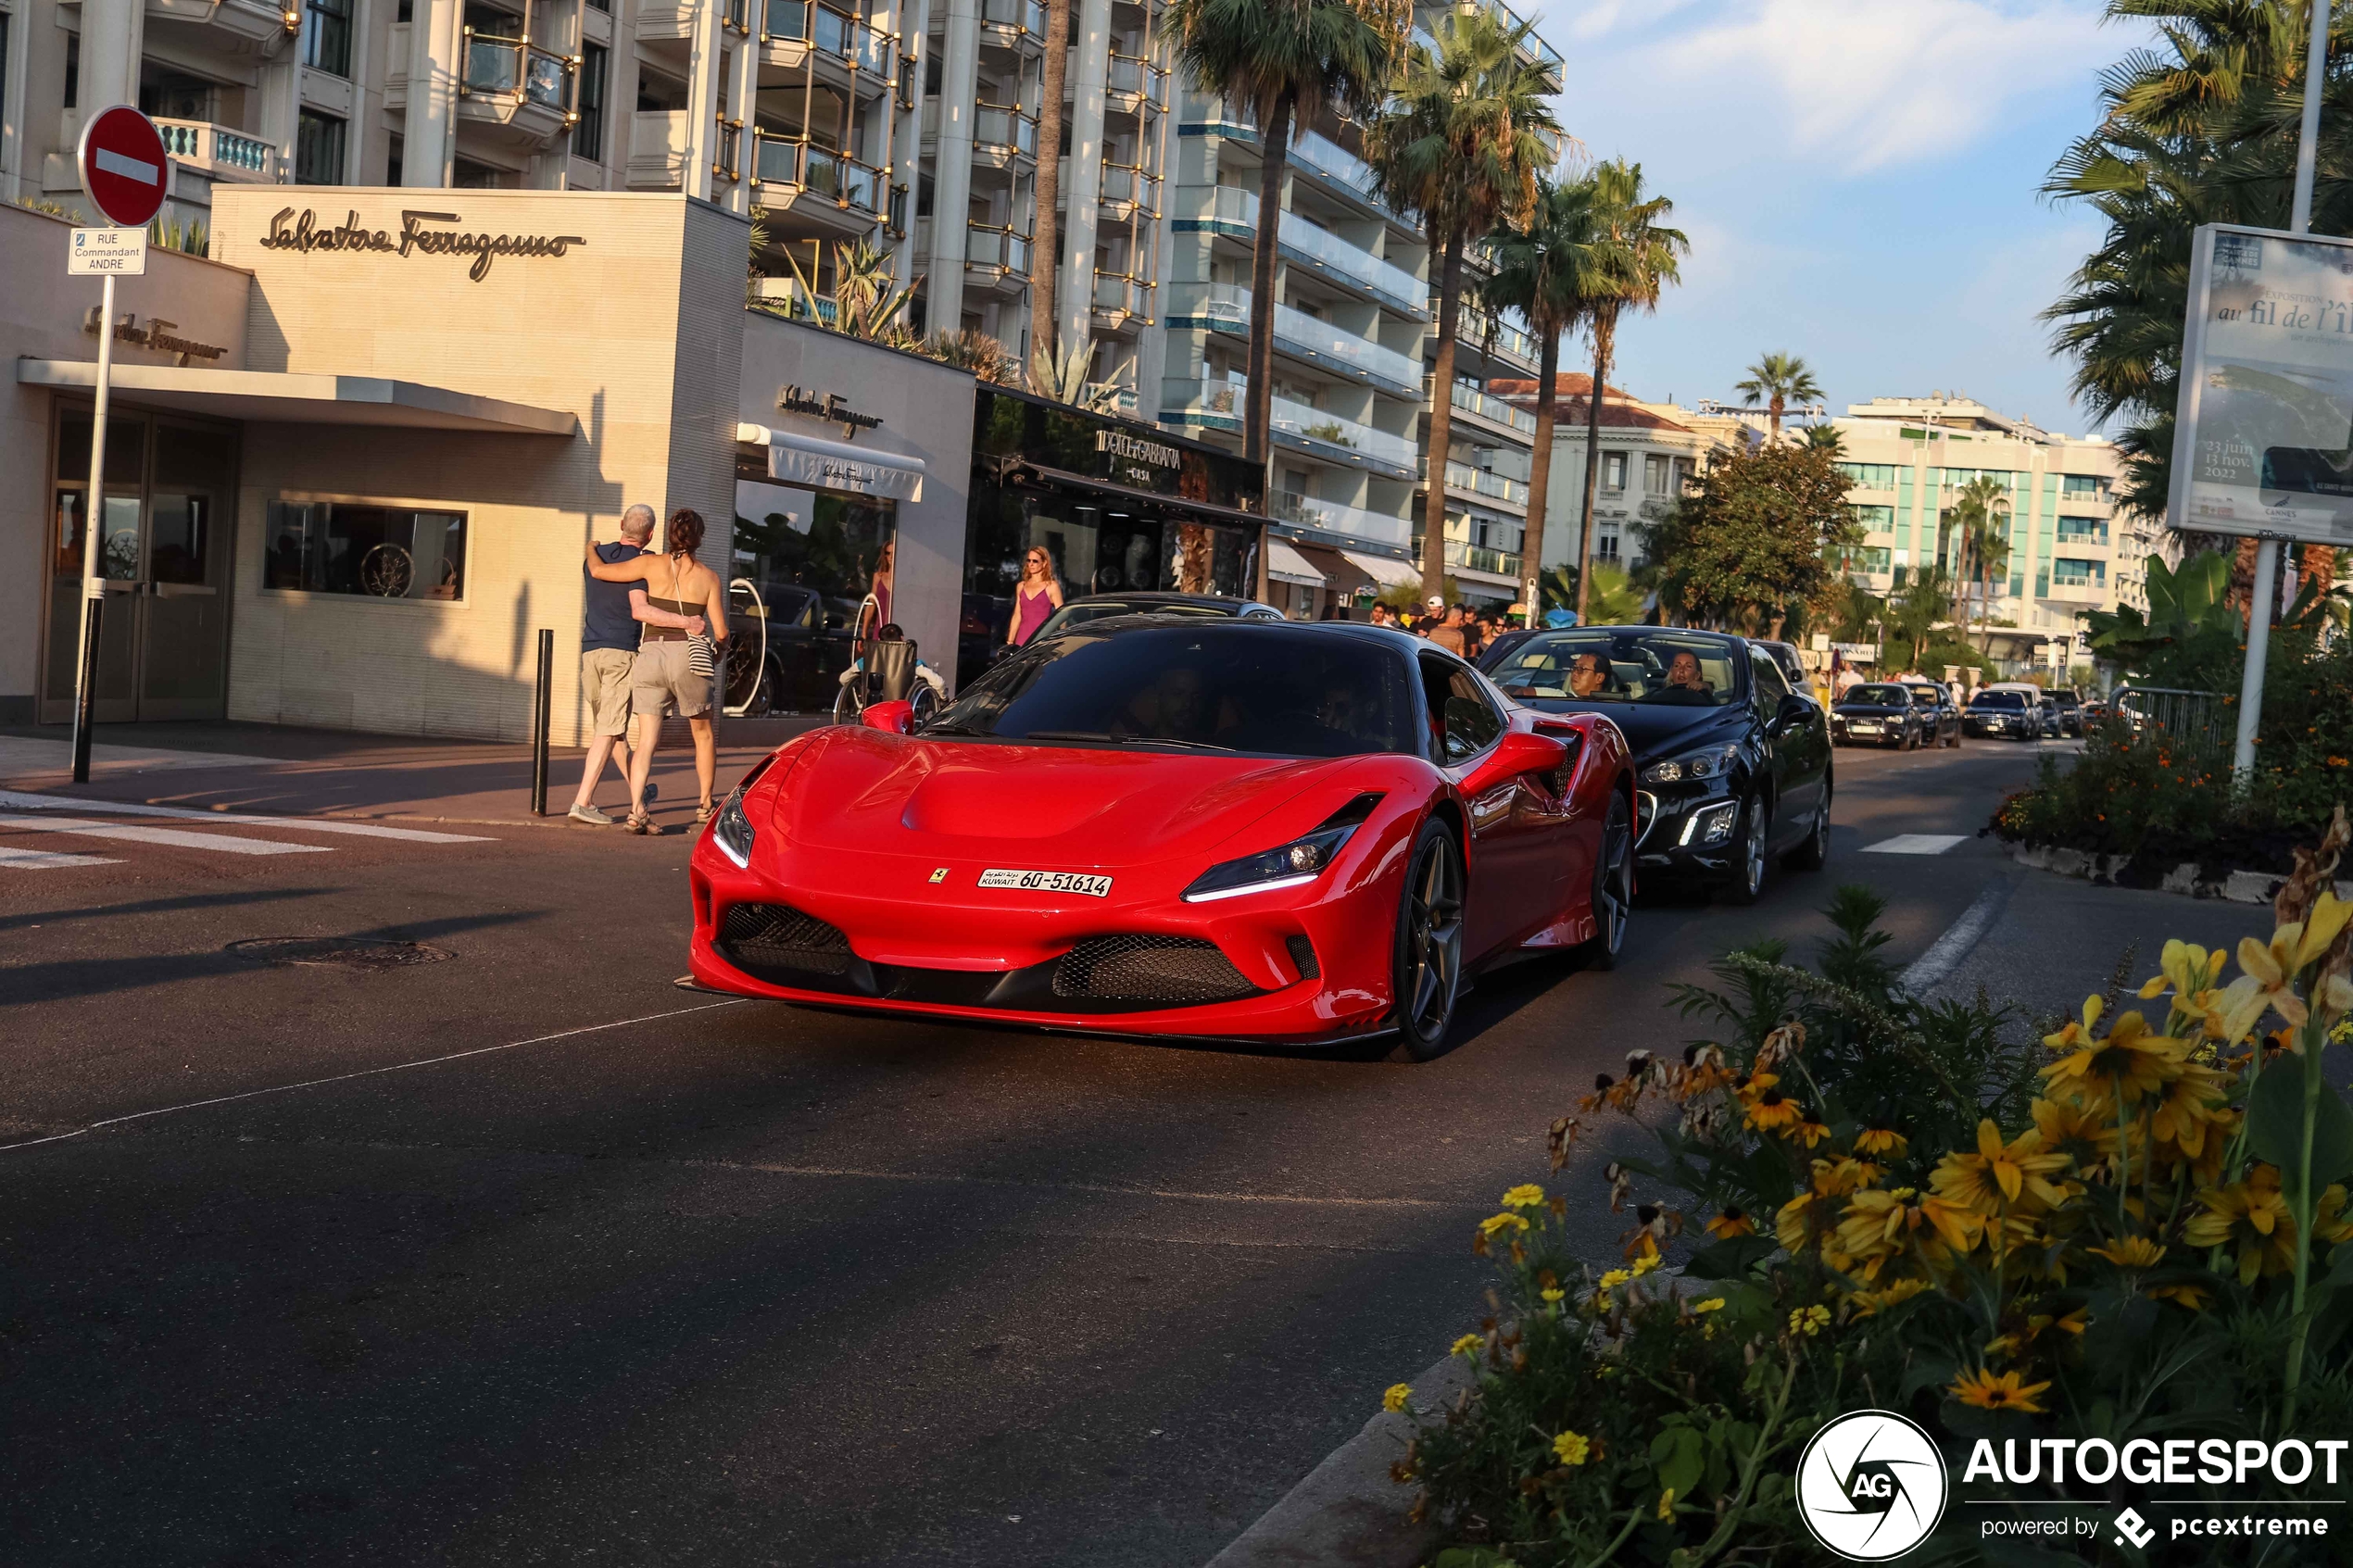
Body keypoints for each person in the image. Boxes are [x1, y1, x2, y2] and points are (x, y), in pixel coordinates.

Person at [585, 508, 730, 834]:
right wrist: (718, 653)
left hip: (651, 654)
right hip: (689, 655)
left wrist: (591, 549)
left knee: (646, 739)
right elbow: (720, 632)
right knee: (703, 734)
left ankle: (636, 810)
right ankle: (705, 805)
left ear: (667, 535)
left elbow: (599, 572)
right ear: (699, 539)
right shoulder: (708, 577)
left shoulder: (649, 564)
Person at [567, 504, 701, 827]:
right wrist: (686, 622)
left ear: (621, 525)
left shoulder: (595, 560)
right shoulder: (641, 566)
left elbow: (596, 568)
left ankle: (638, 799)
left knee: (612, 731)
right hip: (620, 653)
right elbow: (640, 610)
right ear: (651, 534)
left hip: (590, 652)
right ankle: (583, 801)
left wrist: (590, 547)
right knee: (609, 730)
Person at [1007, 546, 1063, 647]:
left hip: (1041, 640)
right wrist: (1010, 641)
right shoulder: (1021, 586)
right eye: (1028, 561)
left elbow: (1062, 615)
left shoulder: (1052, 586)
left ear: (1044, 563)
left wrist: (1063, 640)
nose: (1031, 564)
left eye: (1035, 561)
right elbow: (1017, 615)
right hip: (1021, 640)